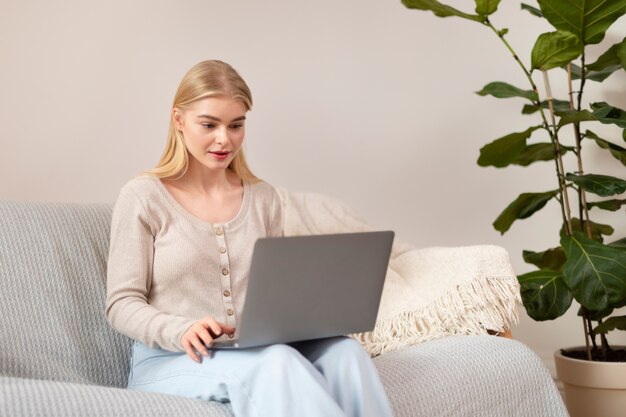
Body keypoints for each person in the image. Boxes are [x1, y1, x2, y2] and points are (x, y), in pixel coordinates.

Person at [105, 59, 394, 417]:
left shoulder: (264, 198)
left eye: (236, 125)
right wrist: (180, 329)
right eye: (209, 124)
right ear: (179, 120)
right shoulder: (142, 197)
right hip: (174, 358)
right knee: (278, 362)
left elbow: (277, 293)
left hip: (255, 348)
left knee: (346, 353)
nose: (224, 139)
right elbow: (120, 303)